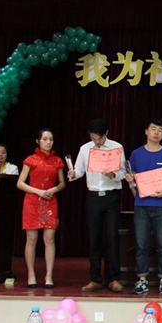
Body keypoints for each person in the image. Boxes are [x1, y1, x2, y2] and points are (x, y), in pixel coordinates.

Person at [68, 119, 127, 293]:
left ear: (106, 133)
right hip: (93, 196)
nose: (97, 142)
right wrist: (73, 174)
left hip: (111, 196)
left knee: (112, 237)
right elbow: (79, 170)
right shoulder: (85, 149)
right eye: (93, 138)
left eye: (99, 138)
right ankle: (95, 279)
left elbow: (123, 172)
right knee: (94, 237)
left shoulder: (116, 147)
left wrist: (113, 175)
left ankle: (114, 279)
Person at [125, 118, 162, 295]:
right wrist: (135, 191)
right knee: (141, 244)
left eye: (160, 130)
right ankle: (142, 280)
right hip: (141, 206)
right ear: (146, 131)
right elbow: (132, 178)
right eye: (154, 129)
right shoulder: (136, 154)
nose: (157, 133)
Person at [16, 129, 65, 288]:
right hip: (32, 201)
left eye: (51, 139)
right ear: (38, 141)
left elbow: (62, 183)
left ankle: (49, 275)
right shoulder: (30, 160)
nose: (48, 142)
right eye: (45, 139)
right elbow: (20, 183)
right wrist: (38, 192)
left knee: (49, 238)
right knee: (31, 239)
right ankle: (31, 274)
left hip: (50, 201)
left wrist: (54, 189)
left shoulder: (57, 161)